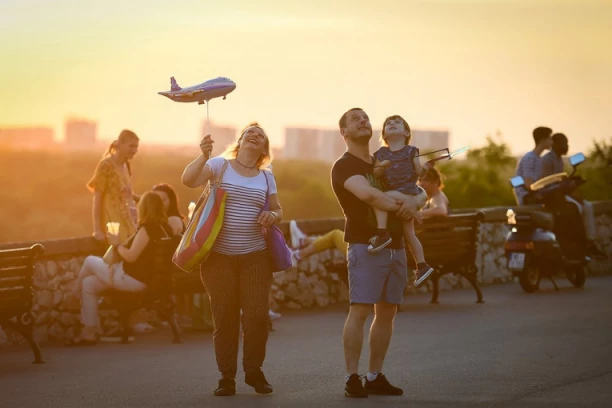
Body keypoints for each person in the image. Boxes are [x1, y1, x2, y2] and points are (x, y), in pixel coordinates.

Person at [182, 122, 282, 397]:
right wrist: (202, 155)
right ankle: (226, 376)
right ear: (240, 141)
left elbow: (278, 210)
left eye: (260, 135)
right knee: (224, 318)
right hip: (218, 258)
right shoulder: (219, 166)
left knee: (256, 317)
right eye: (250, 133)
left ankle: (254, 371)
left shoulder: (266, 177)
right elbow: (188, 180)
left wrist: (272, 216)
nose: (255, 135)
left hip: (254, 257)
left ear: (263, 148)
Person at [331, 107, 419, 398]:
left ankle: (375, 375)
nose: (363, 121)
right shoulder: (344, 166)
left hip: (396, 246)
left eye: (366, 117)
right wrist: (406, 207)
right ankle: (352, 377)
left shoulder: (384, 161)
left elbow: (416, 187)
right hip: (365, 246)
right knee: (360, 310)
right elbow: (369, 195)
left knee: (387, 312)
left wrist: (417, 200)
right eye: (355, 119)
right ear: (344, 132)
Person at [66, 192, 174, 345]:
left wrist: (116, 244)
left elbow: (130, 256)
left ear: (145, 209)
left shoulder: (147, 229)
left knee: (90, 260)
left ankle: (74, 297)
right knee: (89, 284)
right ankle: (88, 332)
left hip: (132, 279)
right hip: (147, 279)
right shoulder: (166, 229)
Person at [541, 133, 602, 257]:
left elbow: (560, 179)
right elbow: (545, 184)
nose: (566, 146)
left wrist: (571, 183)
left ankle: (590, 241)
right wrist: (564, 186)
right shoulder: (547, 160)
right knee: (577, 208)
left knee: (588, 207)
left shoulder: (559, 160)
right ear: (555, 144)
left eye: (567, 143)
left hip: (562, 193)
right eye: (563, 143)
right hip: (553, 197)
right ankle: (579, 242)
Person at [87, 129, 140, 243]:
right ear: (120, 144)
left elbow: (127, 195)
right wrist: (97, 230)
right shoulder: (106, 165)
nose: (134, 150)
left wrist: (148, 200)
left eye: (136, 147)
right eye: (131, 146)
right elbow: (97, 198)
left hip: (127, 222)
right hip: (112, 223)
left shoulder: (126, 165)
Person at [513, 126, 553, 205]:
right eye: (549, 139)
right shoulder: (530, 158)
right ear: (542, 140)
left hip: (533, 194)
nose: (552, 142)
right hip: (527, 197)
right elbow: (529, 184)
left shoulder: (537, 158)